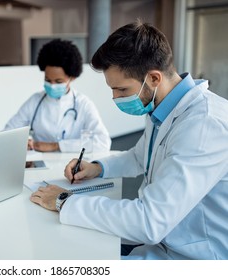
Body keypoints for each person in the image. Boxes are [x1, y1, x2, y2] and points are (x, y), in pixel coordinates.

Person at [30, 20, 228, 260]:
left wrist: (64, 200)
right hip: (166, 241)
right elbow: (140, 155)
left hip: (194, 257)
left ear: (154, 79)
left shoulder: (204, 125)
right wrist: (98, 168)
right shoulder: (161, 106)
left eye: (122, 90)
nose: (115, 98)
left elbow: (149, 221)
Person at [4, 39, 111, 153]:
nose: (52, 85)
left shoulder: (83, 104)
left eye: (58, 81)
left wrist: (56, 146)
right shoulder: (35, 101)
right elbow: (8, 132)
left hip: (72, 164)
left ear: (72, 77)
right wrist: (21, 142)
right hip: (40, 162)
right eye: (48, 80)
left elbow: (103, 142)